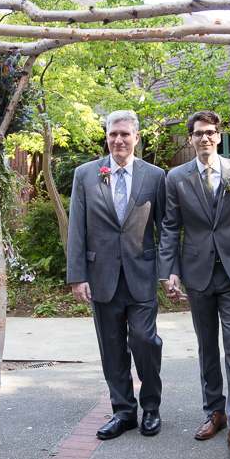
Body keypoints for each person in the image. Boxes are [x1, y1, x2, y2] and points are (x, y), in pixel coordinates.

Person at [159, 110, 230, 455]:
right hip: (197, 273)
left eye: (210, 132)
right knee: (206, 347)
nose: (204, 138)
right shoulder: (176, 177)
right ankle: (214, 412)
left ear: (218, 136)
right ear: (190, 139)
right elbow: (171, 227)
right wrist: (170, 271)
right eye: (197, 133)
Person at [67, 110, 167, 440]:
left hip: (142, 274)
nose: (119, 140)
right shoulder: (86, 174)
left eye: (125, 134)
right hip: (101, 276)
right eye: (113, 134)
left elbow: (166, 228)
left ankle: (150, 407)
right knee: (111, 348)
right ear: (106, 137)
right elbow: (77, 230)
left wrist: (169, 273)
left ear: (137, 137)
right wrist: (77, 276)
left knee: (144, 340)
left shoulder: (155, 176)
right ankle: (123, 412)